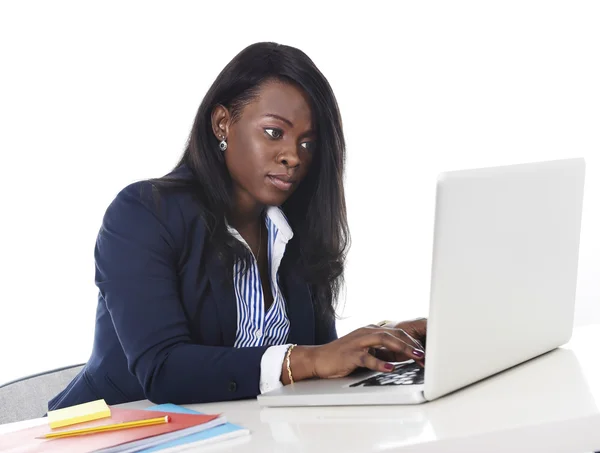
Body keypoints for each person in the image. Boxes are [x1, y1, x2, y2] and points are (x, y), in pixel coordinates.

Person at [49, 42, 427, 410]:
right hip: (115, 433)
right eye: (274, 132)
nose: (293, 156)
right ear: (222, 123)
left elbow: (312, 357)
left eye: (308, 144)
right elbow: (164, 371)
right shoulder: (142, 215)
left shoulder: (295, 230)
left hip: (243, 435)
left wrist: (373, 348)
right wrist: (307, 361)